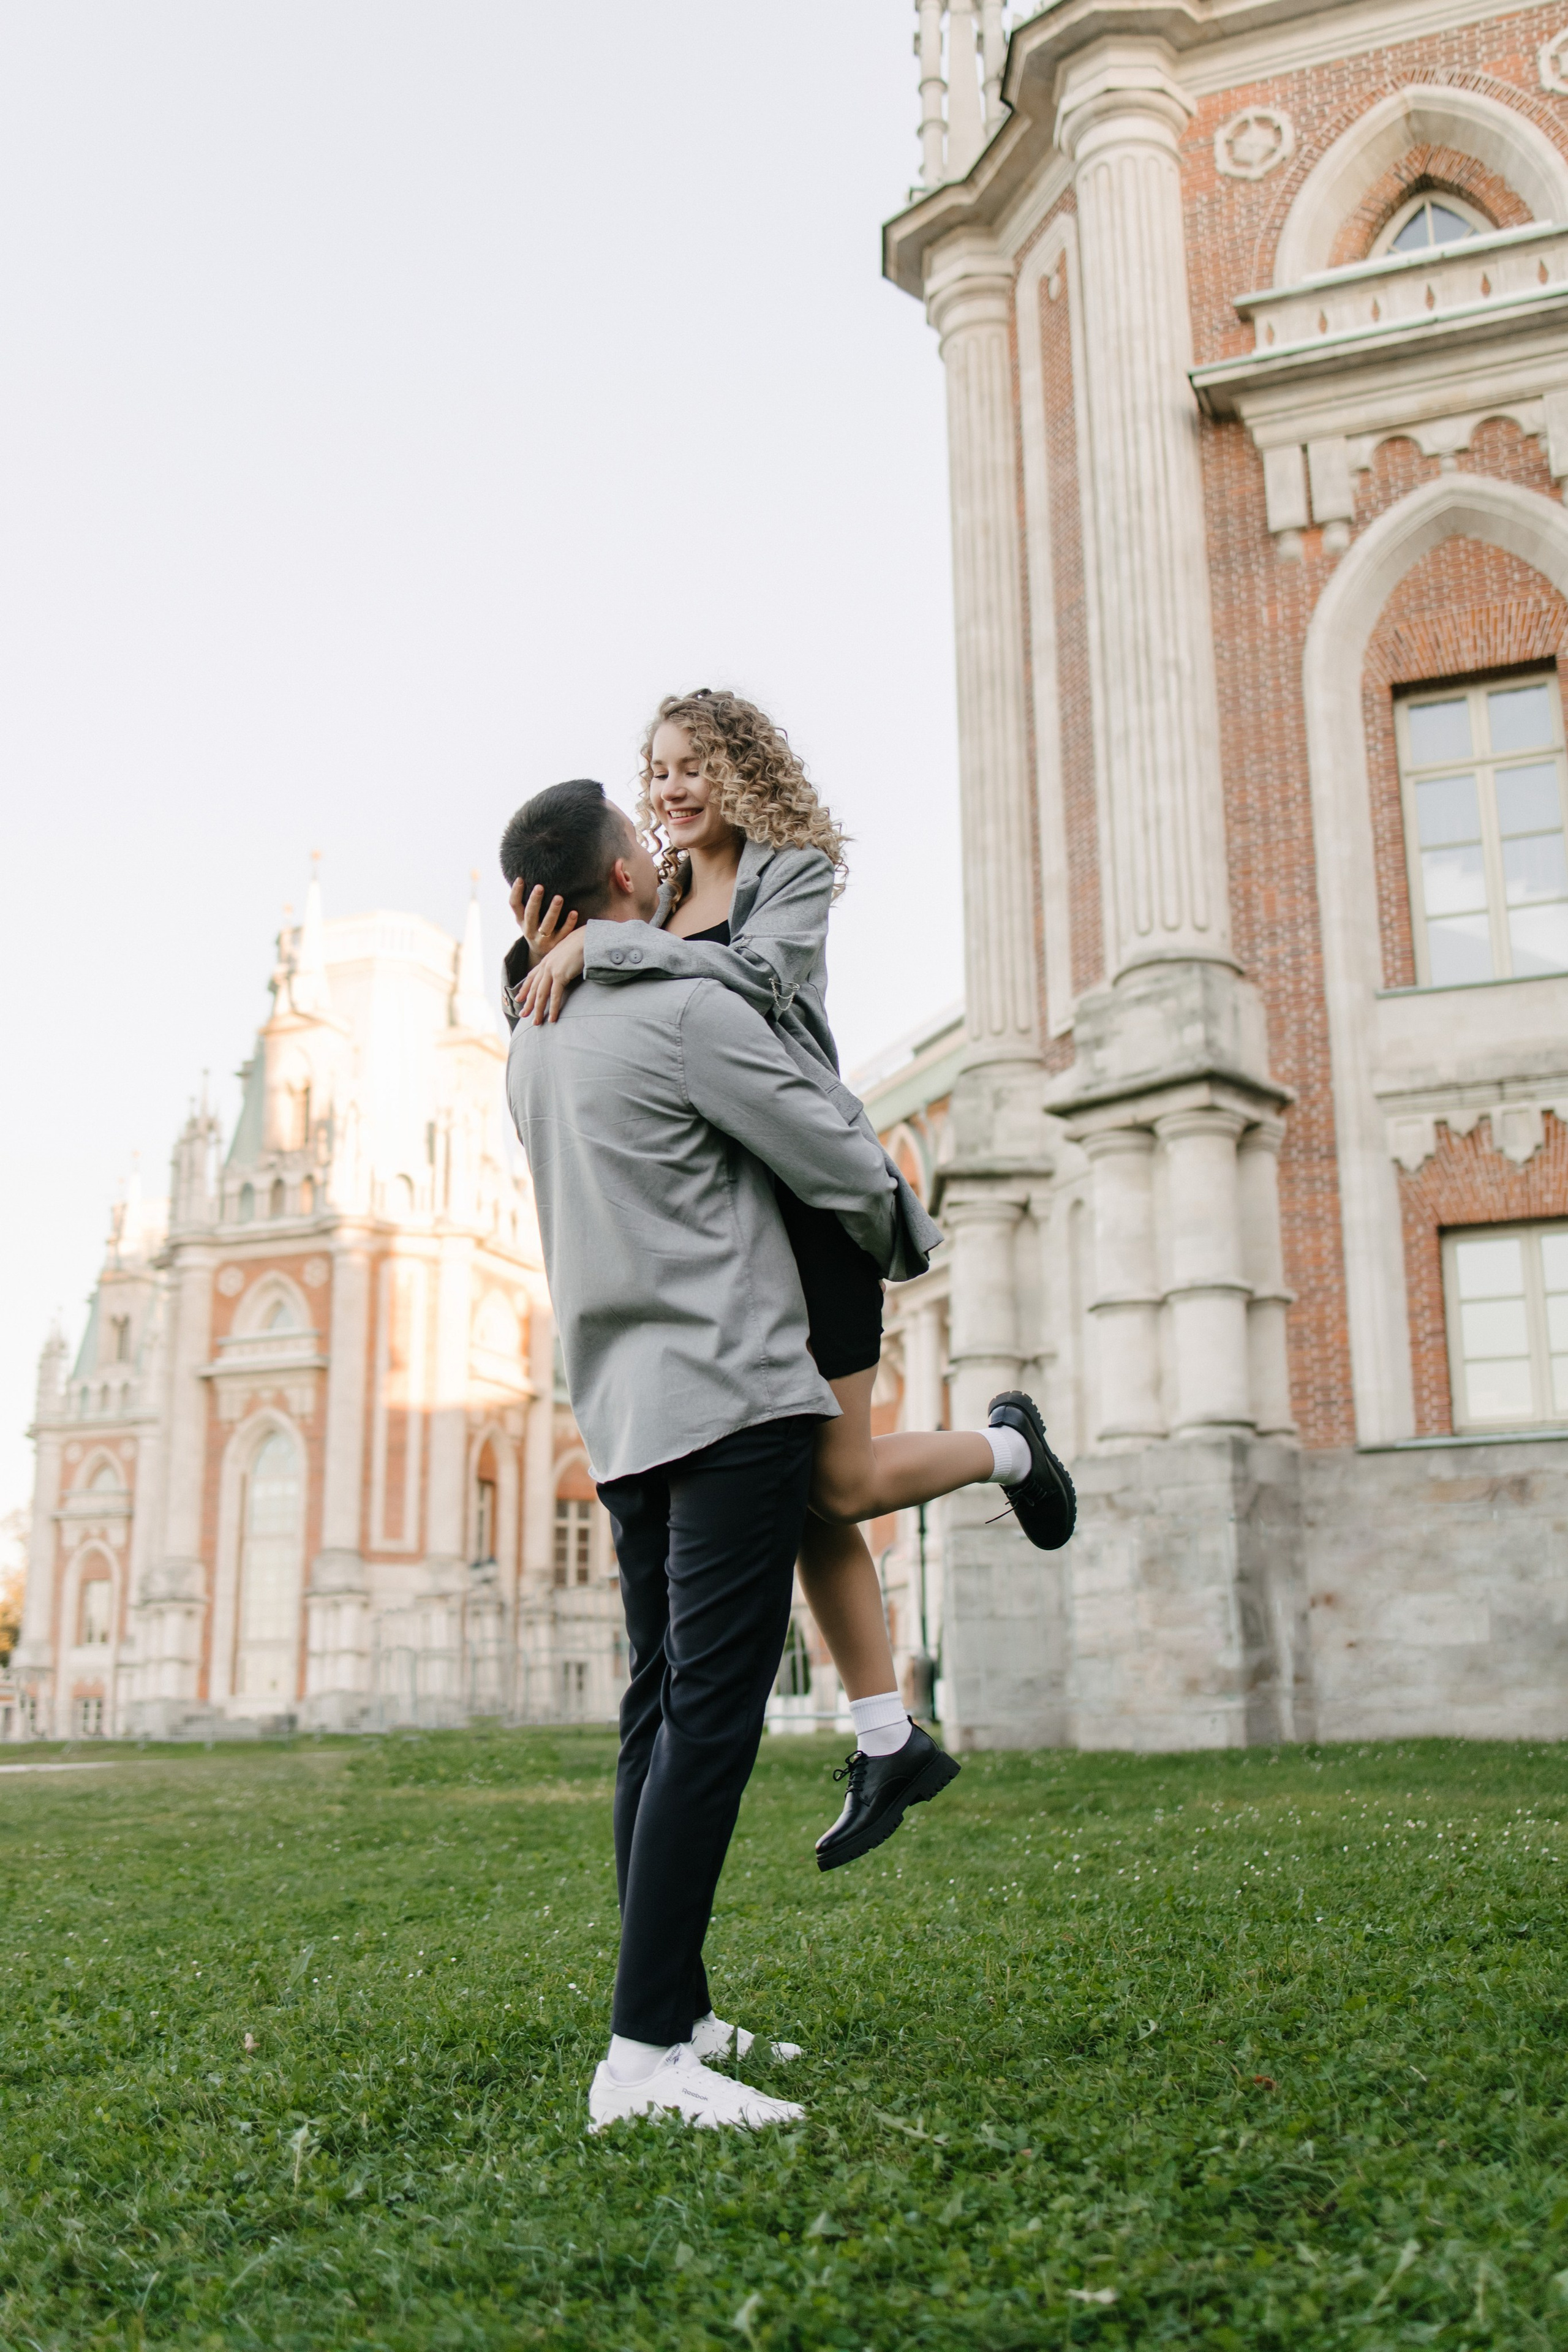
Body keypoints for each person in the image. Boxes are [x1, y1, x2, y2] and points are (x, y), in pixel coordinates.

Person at [506, 689, 1076, 1871]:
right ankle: (884, 1736)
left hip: (810, 1207)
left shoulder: (790, 874)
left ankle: (1007, 1449)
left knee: (839, 1477)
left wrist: (604, 945)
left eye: (693, 764)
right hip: (731, 1226)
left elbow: (759, 995)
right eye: (654, 771)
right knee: (800, 1485)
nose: (670, 789)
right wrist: (544, 952)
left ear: (742, 766)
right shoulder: (655, 899)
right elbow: (610, 1029)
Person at [500, 775, 959, 2132]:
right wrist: (904, 1231)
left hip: (624, 1414)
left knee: (655, 1709)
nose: (656, 851)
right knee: (712, 1711)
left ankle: (676, 2005)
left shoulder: (530, 1036)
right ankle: (641, 2062)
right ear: (624, 879)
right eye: (637, 845)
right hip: (733, 1394)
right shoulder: (685, 1011)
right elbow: (829, 1150)